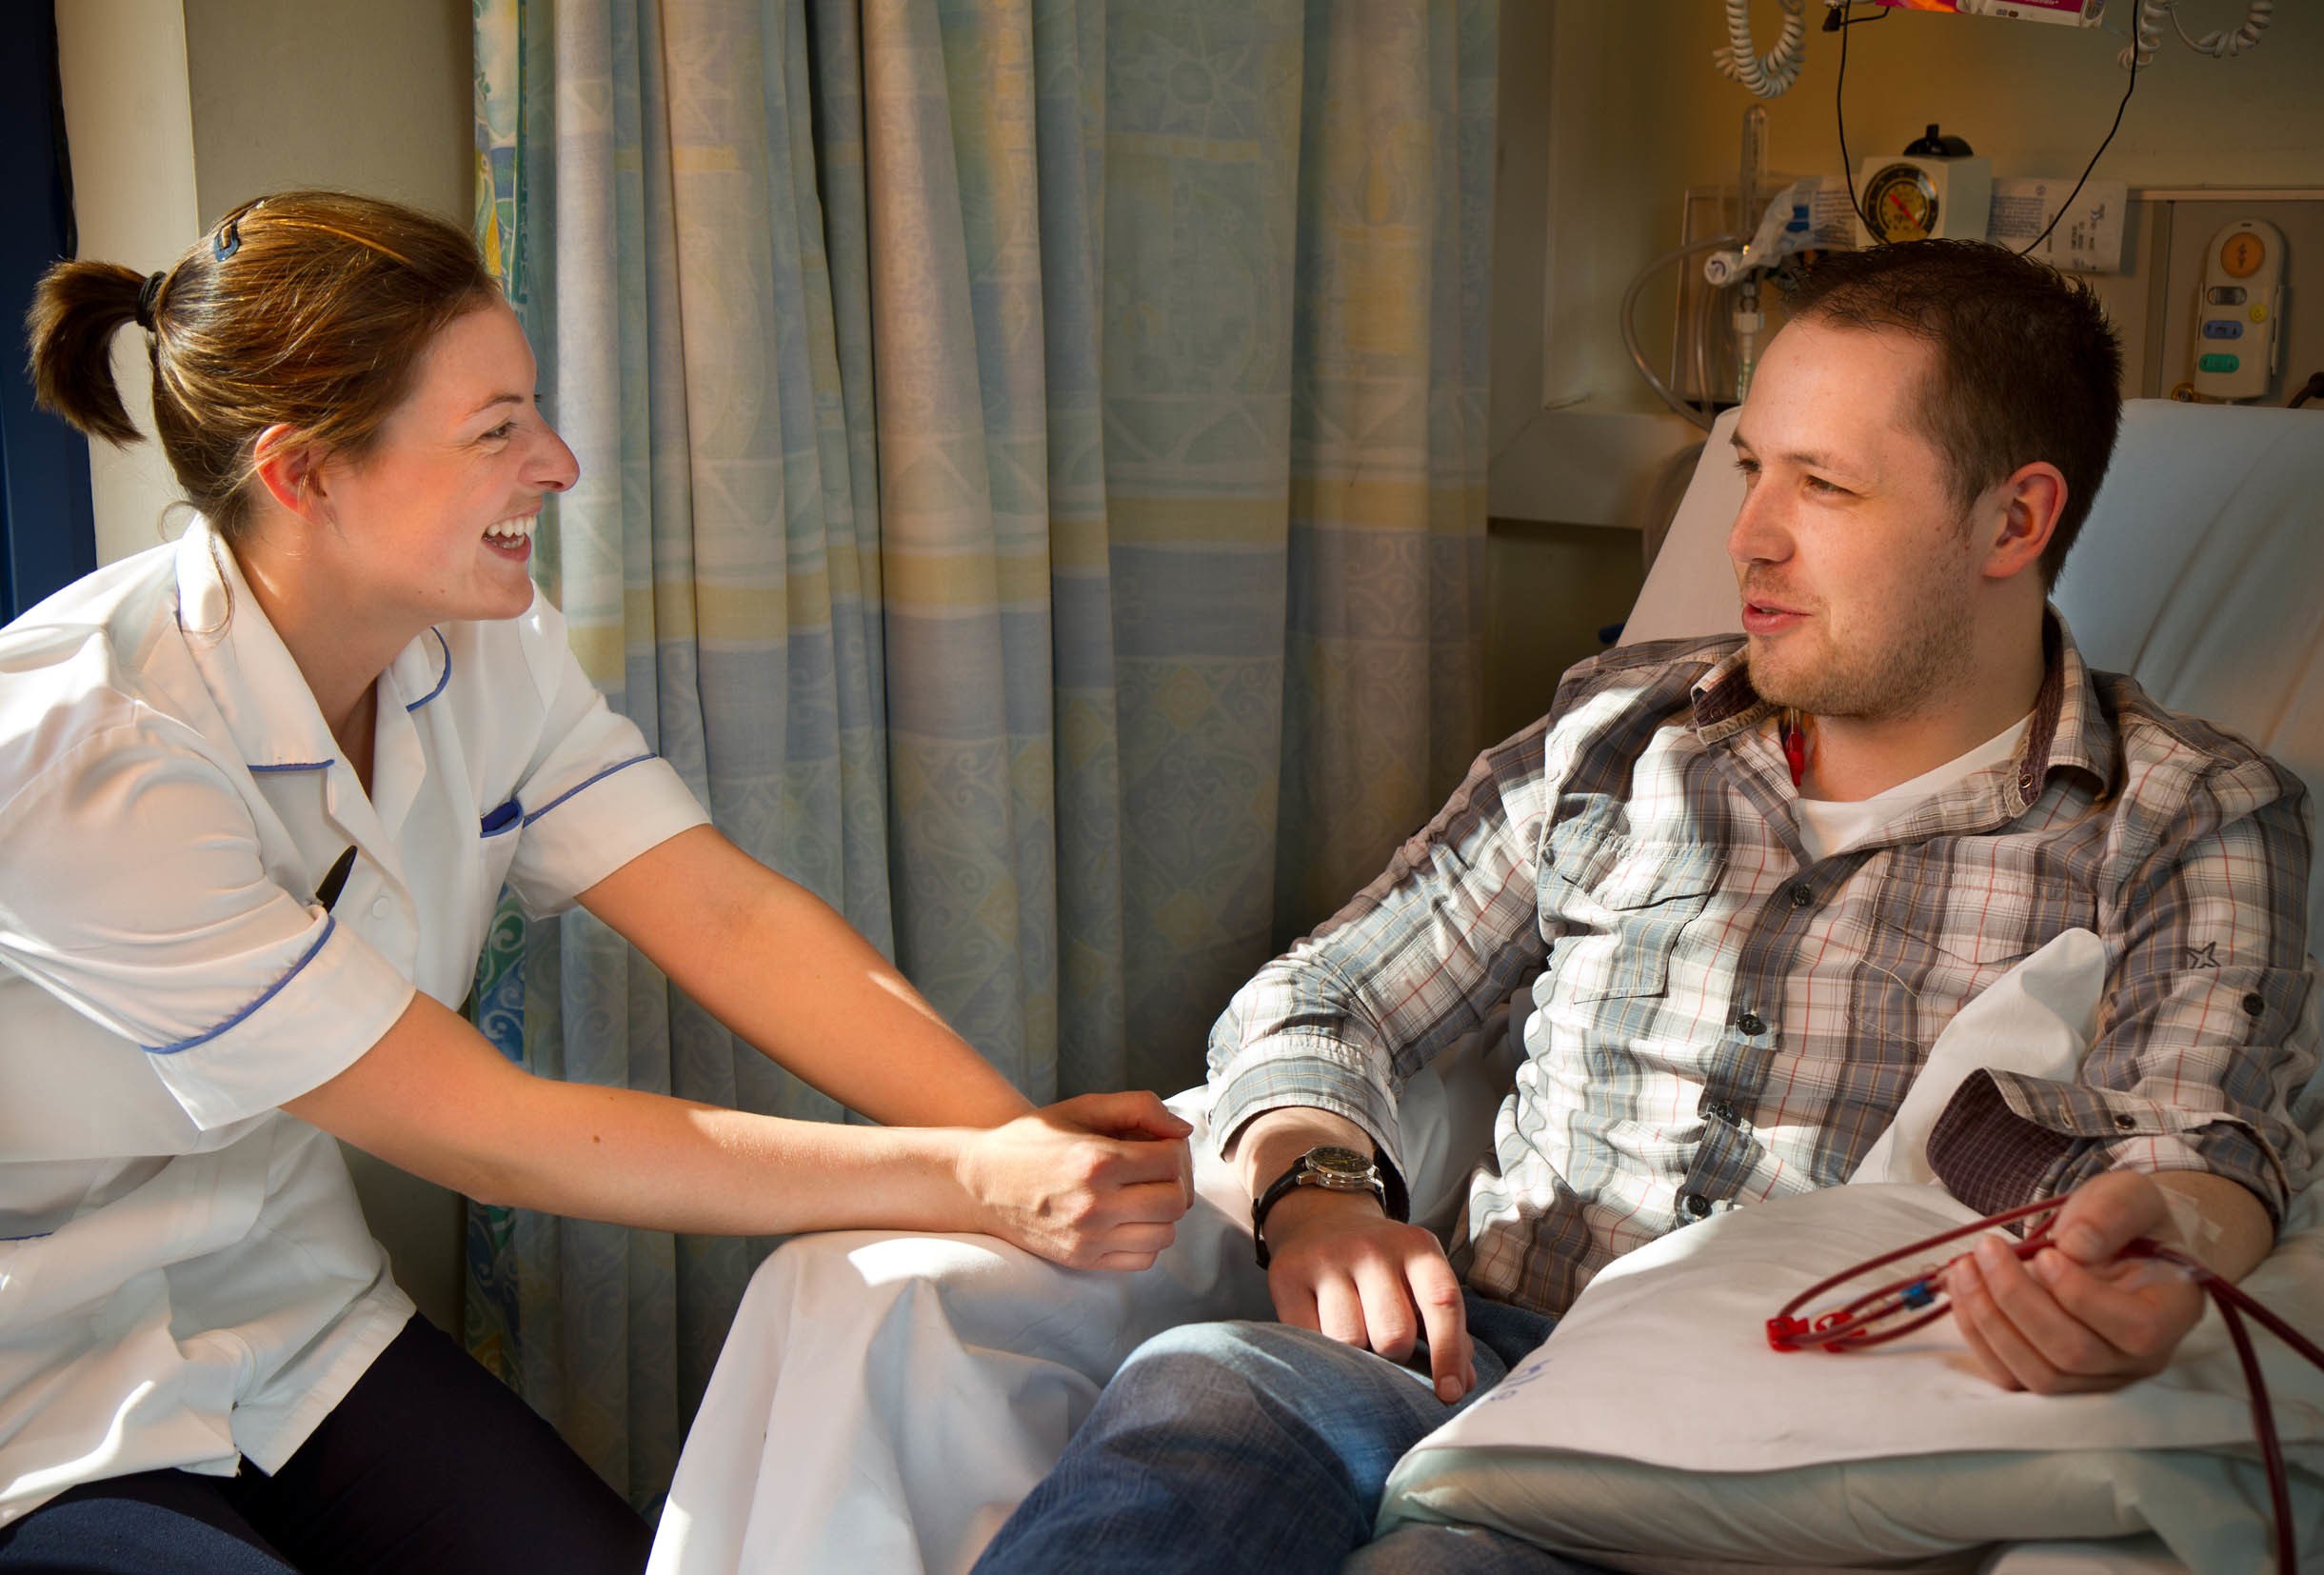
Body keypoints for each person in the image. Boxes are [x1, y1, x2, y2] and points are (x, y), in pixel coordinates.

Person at [970, 240, 2316, 1573]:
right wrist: (1317, 1189)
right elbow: (1329, 989)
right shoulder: (1622, 733)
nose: (1748, 538)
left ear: (2011, 522)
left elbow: (2197, 1137)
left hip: (1776, 1446)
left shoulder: (2181, 816)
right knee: (1200, 1389)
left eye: (1824, 485)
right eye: (1749, 469)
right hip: (1470, 1357)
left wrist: (2161, 1260)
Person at [0, 191, 1192, 1574]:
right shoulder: (84, 760)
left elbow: (724, 914)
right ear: (302, 473)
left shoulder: (476, 641)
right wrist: (970, 1182)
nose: (556, 463)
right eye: (496, 429)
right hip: (33, 1370)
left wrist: (1026, 1150)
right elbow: (493, 1132)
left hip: (288, 1312)